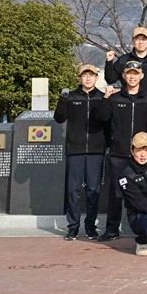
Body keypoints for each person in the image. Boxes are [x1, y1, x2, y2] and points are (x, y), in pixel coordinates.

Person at [95, 60, 147, 242]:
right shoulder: (115, 98)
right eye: (129, 73)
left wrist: (143, 142)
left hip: (141, 155)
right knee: (115, 193)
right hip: (118, 153)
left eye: (135, 73)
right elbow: (102, 118)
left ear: (141, 76)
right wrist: (105, 98)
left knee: (146, 192)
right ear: (123, 75)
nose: (132, 76)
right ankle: (112, 229)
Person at [53, 64, 106, 241]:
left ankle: (90, 226)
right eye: (85, 75)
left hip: (96, 151)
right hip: (74, 150)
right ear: (79, 78)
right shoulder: (71, 96)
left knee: (93, 190)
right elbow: (59, 118)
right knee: (73, 191)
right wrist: (62, 99)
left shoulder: (102, 97)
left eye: (91, 75)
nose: (88, 78)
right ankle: (73, 227)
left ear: (97, 77)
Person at [104, 26, 147, 97]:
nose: (140, 42)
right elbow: (110, 79)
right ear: (133, 40)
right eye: (137, 39)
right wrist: (109, 62)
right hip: (126, 101)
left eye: (144, 39)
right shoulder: (123, 60)